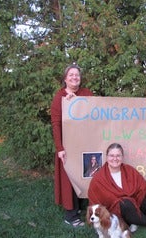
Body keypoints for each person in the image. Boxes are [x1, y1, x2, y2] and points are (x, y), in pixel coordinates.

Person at [50, 64, 93, 227]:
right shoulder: (59, 96)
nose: (75, 77)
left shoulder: (86, 94)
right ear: (65, 78)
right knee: (69, 178)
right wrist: (60, 148)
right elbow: (56, 124)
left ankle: (84, 207)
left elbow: (94, 114)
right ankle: (71, 215)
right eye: (71, 75)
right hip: (68, 146)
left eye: (77, 75)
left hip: (85, 143)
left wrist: (76, 102)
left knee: (86, 175)